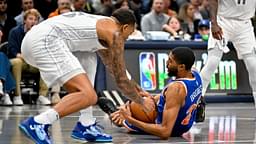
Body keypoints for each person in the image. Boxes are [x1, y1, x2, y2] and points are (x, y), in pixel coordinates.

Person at [19, 8, 155, 143]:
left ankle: (85, 124)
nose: (127, 38)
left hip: (35, 39)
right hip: (46, 41)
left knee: (89, 57)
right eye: (129, 34)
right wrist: (141, 102)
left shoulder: (100, 26)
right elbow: (121, 81)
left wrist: (137, 88)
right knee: (88, 95)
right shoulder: (115, 34)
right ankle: (38, 122)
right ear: (125, 27)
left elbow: (113, 67)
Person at [103, 47, 202, 139]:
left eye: (170, 61)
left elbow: (165, 132)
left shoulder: (176, 88)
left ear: (181, 67)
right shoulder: (195, 73)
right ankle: (120, 112)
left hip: (172, 128)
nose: (167, 63)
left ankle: (116, 115)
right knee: (141, 100)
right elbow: (178, 98)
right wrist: (152, 97)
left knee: (132, 108)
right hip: (185, 123)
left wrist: (129, 119)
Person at [200, 0, 256, 121]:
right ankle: (195, 104)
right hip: (222, 21)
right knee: (212, 62)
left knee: (254, 66)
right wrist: (213, 23)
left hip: (245, 24)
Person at [8, 9, 50, 106]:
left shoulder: (41, 34)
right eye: (30, 19)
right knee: (17, 62)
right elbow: (13, 50)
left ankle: (42, 96)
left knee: (46, 62)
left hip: (33, 62)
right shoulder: (15, 32)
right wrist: (24, 56)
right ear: (24, 20)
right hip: (20, 60)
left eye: (35, 20)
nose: (33, 22)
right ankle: (17, 96)